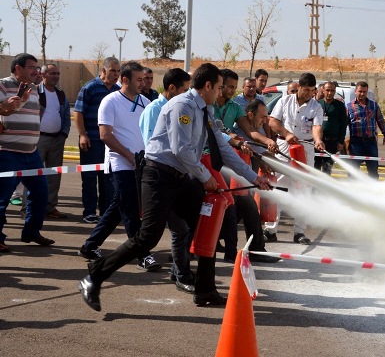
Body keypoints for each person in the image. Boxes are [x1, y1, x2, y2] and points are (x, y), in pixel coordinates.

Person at [78, 63, 272, 312]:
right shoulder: (183, 106)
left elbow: (222, 148)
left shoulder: (206, 110)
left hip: (181, 176)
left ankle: (205, 290)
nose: (222, 92)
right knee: (148, 237)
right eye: (220, 87)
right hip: (159, 175)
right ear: (208, 86)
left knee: (206, 223)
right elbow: (180, 149)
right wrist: (204, 177)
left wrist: (252, 177)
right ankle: (94, 276)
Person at [78, 61, 161, 272]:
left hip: (141, 164)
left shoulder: (145, 101)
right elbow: (105, 135)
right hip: (119, 164)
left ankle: (90, 246)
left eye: (144, 79)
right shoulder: (110, 101)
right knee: (131, 209)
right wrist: (129, 156)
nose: (143, 83)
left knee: (118, 208)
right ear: (125, 80)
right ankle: (142, 254)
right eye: (139, 79)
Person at [214, 69, 279, 263]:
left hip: (229, 161)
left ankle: (257, 249)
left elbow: (250, 132)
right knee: (227, 206)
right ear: (220, 85)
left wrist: (266, 140)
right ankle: (223, 249)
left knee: (246, 204)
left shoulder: (234, 107)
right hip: (209, 161)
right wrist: (230, 137)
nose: (232, 91)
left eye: (234, 87)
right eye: (229, 87)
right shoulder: (208, 105)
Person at [138, 68, 194, 292]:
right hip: (159, 177)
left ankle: (179, 272)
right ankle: (181, 273)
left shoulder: (179, 107)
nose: (187, 94)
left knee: (181, 228)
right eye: (184, 90)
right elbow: (153, 145)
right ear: (171, 88)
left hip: (175, 177)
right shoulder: (155, 109)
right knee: (155, 233)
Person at [0, 53, 55, 252]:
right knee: (2, 197)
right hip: (7, 153)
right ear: (18, 68)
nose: (36, 71)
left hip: (32, 154)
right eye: (32, 67)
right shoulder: (3, 85)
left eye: (37, 67)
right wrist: (8, 106)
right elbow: (3, 110)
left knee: (41, 193)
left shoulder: (33, 89)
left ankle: (31, 231)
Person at [268, 72, 325, 244]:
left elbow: (316, 126)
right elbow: (273, 122)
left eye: (312, 90)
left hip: (305, 148)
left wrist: (318, 140)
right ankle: (270, 229)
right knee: (278, 186)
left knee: (303, 189)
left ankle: (299, 232)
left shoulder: (316, 107)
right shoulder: (284, 101)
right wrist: (286, 134)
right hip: (285, 147)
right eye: (306, 89)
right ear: (298, 87)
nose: (309, 93)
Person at [75, 57, 120, 223]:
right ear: (103, 71)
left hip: (109, 143)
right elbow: (78, 112)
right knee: (89, 178)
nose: (116, 74)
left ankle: (106, 211)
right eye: (112, 71)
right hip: (91, 141)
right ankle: (89, 212)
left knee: (107, 178)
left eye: (118, 71)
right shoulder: (90, 88)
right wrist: (82, 134)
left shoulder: (117, 91)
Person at [36, 63, 71, 219]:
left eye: (58, 74)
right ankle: (29, 209)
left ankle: (50, 207)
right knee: (33, 175)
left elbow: (66, 116)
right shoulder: (34, 92)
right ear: (43, 75)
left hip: (57, 140)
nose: (56, 76)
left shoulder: (60, 94)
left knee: (54, 175)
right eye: (52, 73)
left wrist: (63, 134)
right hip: (38, 140)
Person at [346, 81, 385, 179]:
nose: (362, 94)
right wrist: (340, 140)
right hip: (355, 143)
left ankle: (373, 191)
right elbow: (344, 124)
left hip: (371, 142)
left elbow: (380, 120)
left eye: (364, 92)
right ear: (355, 91)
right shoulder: (349, 107)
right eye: (360, 91)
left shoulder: (373, 105)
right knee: (353, 170)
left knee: (373, 170)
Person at [314, 81, 347, 174]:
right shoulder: (317, 104)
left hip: (332, 142)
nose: (329, 93)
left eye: (332, 90)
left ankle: (325, 187)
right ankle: (313, 188)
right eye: (327, 90)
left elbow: (343, 124)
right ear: (323, 90)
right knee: (316, 166)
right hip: (318, 141)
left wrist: (340, 141)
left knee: (327, 167)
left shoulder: (339, 106)